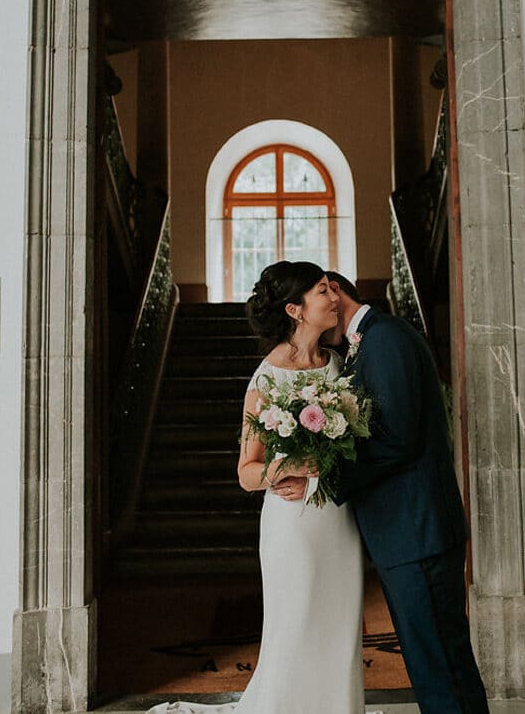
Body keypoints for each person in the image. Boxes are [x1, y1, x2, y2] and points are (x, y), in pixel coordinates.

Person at [148, 261, 368, 714]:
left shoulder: (340, 365)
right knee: (296, 620)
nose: (334, 298)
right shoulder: (267, 378)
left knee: (341, 619)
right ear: (295, 309)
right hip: (293, 524)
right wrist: (287, 466)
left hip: (338, 519)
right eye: (323, 291)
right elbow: (246, 472)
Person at [327, 271, 490, 714]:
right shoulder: (366, 346)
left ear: (333, 290)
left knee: (440, 665)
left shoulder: (385, 340)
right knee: (435, 662)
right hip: (406, 532)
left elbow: (397, 438)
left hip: (417, 528)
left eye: (317, 300)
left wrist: (328, 475)